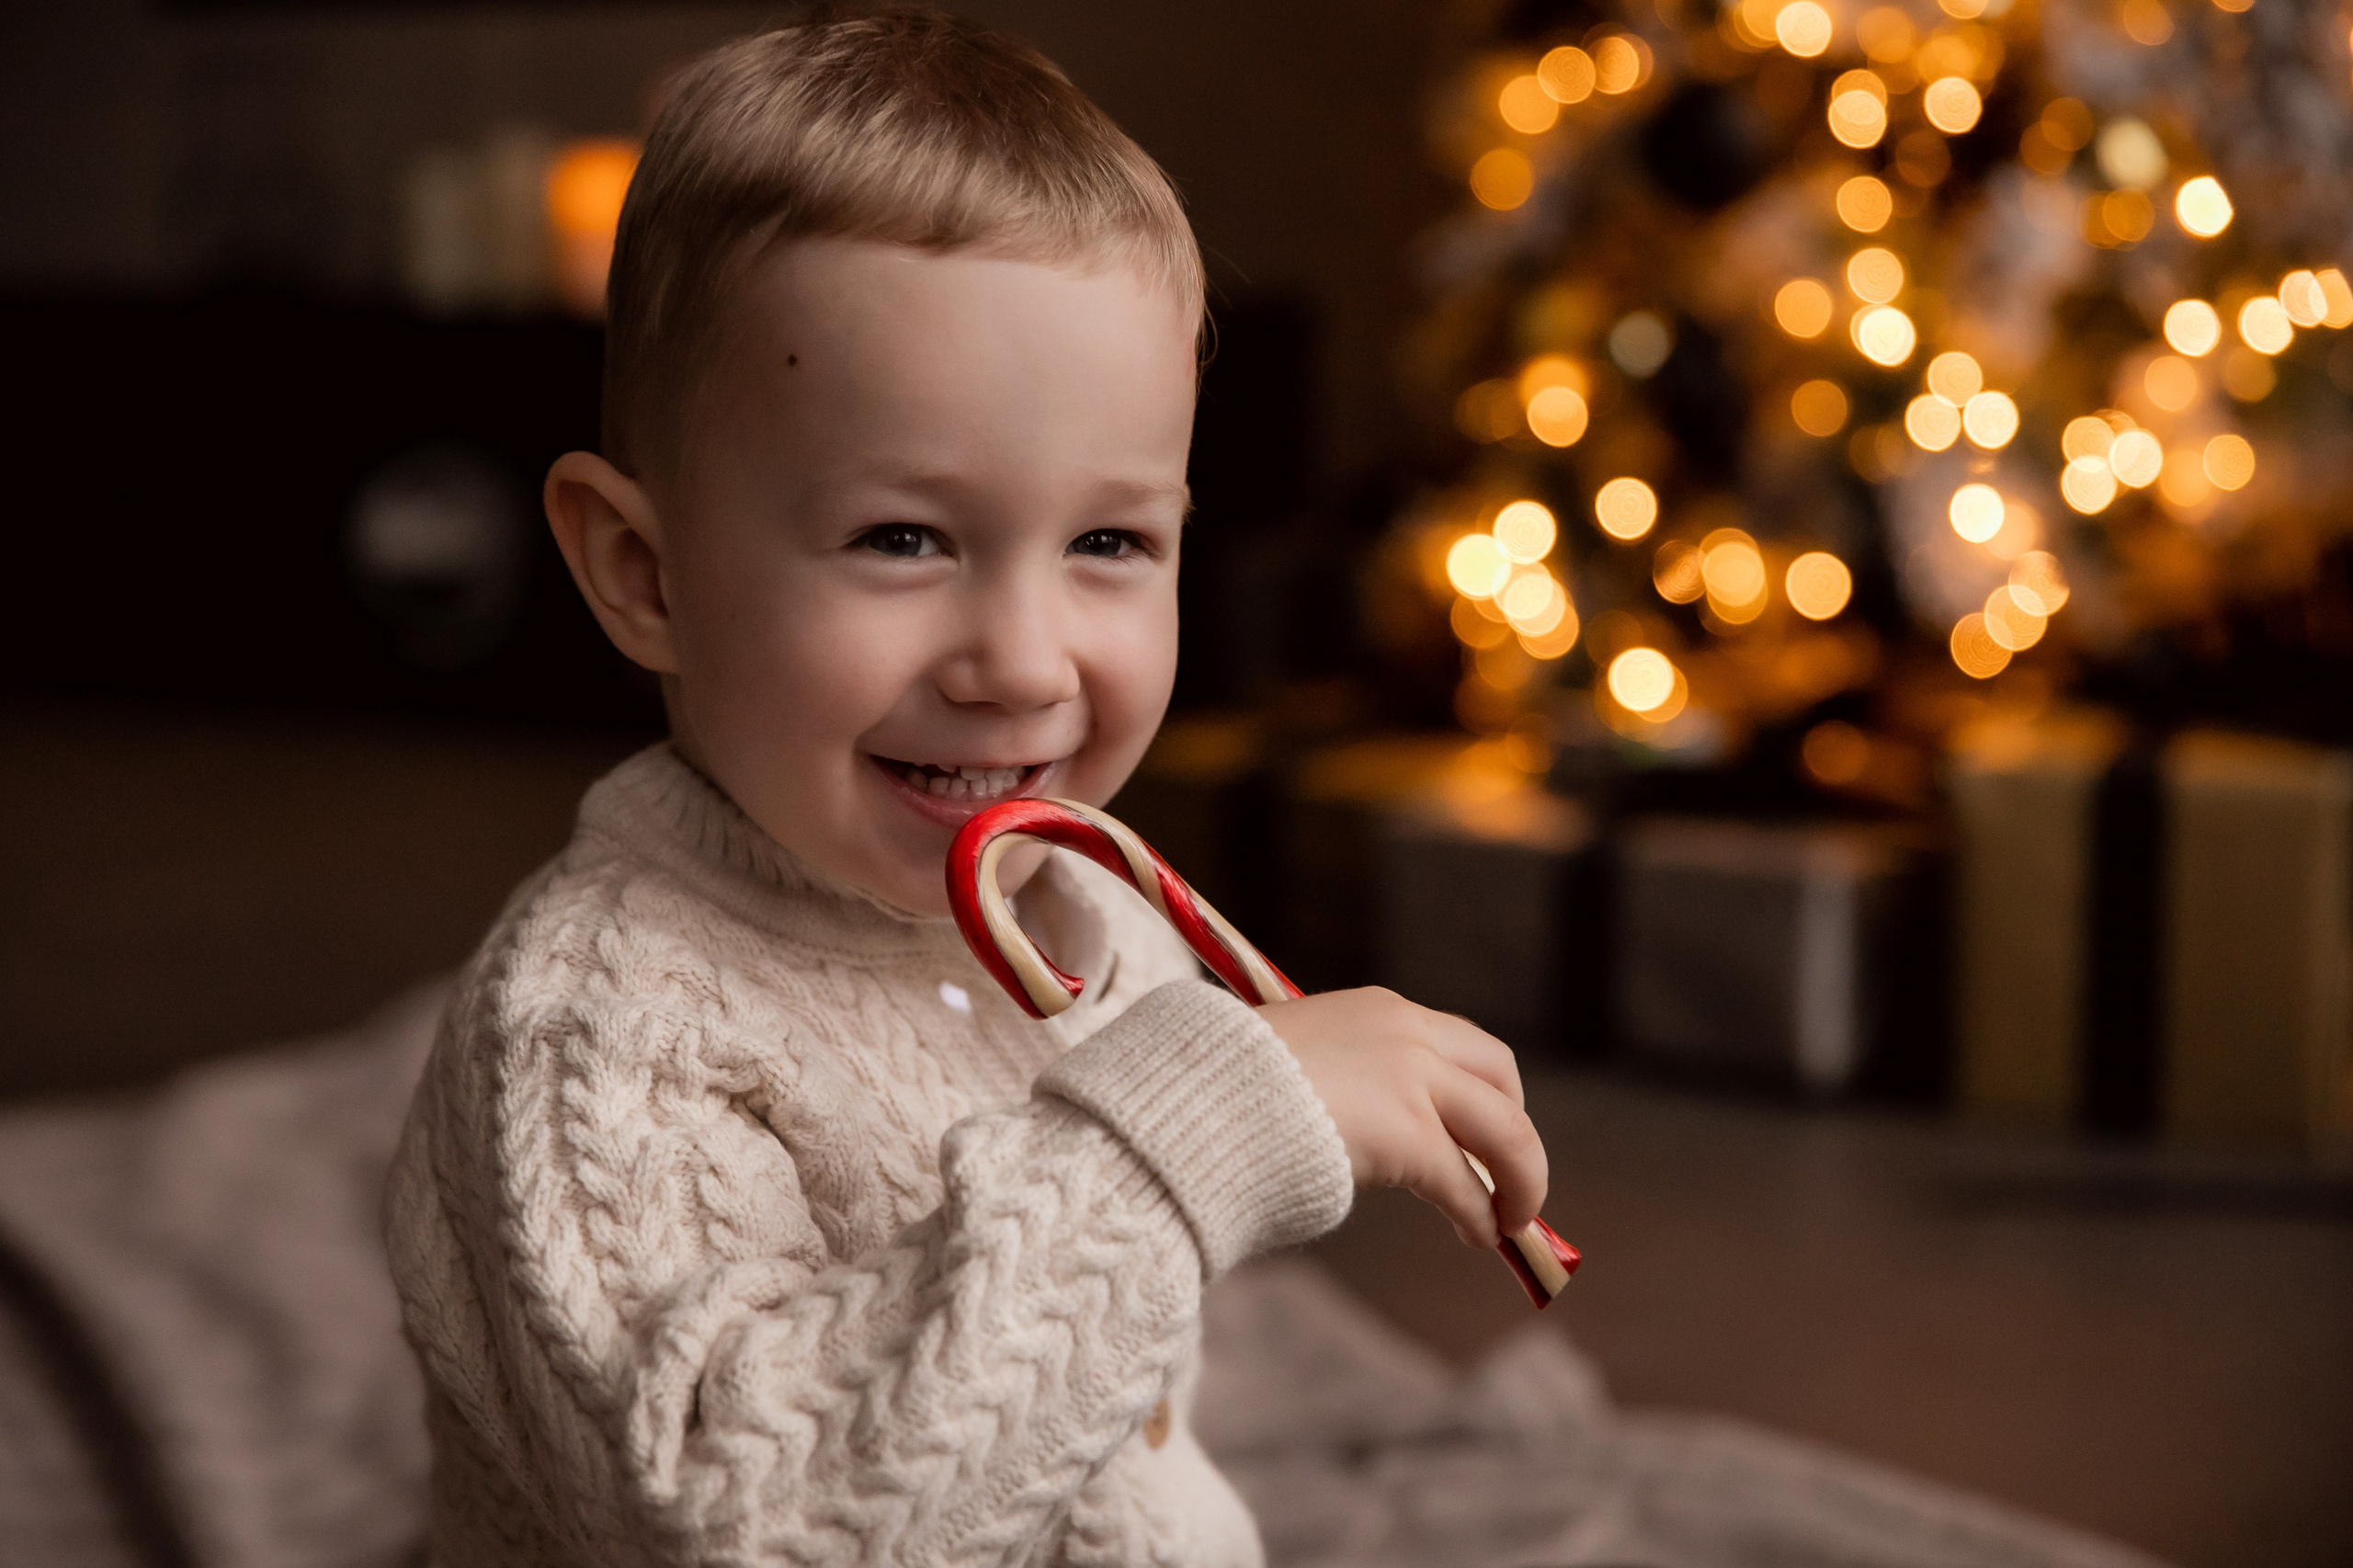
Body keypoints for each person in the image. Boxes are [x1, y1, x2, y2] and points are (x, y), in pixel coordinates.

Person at [383, 10, 1548, 1564]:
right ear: (644, 573)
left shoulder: (1087, 910)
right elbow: (758, 1522)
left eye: (1109, 544)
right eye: (904, 539)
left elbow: (1087, 1393)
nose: (1021, 659)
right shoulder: (599, 1040)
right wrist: (1183, 1138)